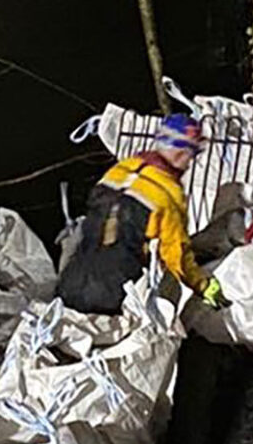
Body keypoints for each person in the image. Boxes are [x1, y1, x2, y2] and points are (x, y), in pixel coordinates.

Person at [56, 114, 227, 316]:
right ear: (181, 153)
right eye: (192, 155)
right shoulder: (167, 194)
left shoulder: (118, 171)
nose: (190, 163)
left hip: (69, 285)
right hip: (114, 296)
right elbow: (176, 258)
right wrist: (205, 287)